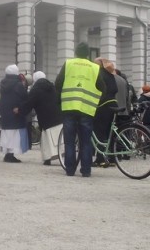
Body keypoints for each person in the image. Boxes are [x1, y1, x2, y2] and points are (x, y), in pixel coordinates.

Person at [56, 43, 106, 177]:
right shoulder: (94, 67)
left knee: (69, 141)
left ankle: (70, 169)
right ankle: (86, 170)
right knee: (85, 141)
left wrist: (58, 102)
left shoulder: (68, 64)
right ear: (88, 54)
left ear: (76, 53)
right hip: (87, 109)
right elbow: (103, 88)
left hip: (69, 107)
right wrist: (96, 102)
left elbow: (58, 83)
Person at [18, 71, 62, 166]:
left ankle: (47, 159)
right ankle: (63, 155)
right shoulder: (52, 87)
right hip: (58, 117)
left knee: (47, 140)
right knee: (60, 140)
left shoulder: (35, 90)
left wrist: (20, 111)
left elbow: (29, 104)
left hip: (45, 118)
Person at [0, 64, 29, 163]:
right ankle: (11, 155)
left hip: (5, 112)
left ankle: (7, 154)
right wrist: (19, 107)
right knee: (15, 136)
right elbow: (24, 97)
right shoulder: (18, 84)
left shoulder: (3, 83)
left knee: (7, 134)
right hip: (15, 113)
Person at [92, 59, 118, 167]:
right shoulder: (110, 74)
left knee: (100, 132)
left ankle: (100, 158)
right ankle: (112, 158)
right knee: (110, 133)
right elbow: (115, 89)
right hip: (113, 104)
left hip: (103, 105)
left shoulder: (98, 74)